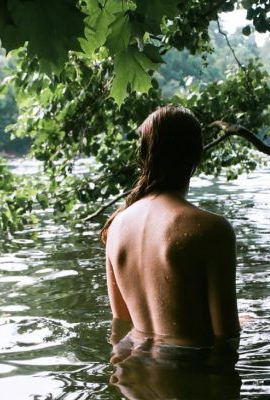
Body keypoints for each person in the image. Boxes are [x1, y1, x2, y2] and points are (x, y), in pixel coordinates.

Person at [101, 105, 240, 348]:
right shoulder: (211, 229)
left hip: (134, 376)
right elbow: (226, 336)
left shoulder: (116, 226)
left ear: (144, 155)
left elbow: (121, 324)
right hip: (191, 371)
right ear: (197, 154)